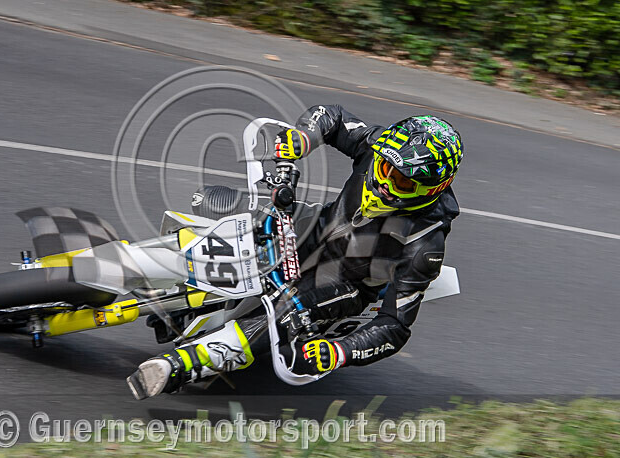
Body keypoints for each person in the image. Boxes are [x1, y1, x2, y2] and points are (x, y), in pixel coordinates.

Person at [127, 105, 464, 400]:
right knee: (212, 202)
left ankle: (181, 365)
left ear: (430, 189)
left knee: (284, 310)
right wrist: (303, 138)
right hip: (315, 225)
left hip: (347, 282)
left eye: (402, 182)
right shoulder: (380, 145)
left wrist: (339, 351)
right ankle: (129, 266)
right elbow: (333, 117)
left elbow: (395, 326)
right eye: (384, 169)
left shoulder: (426, 244)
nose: (384, 184)